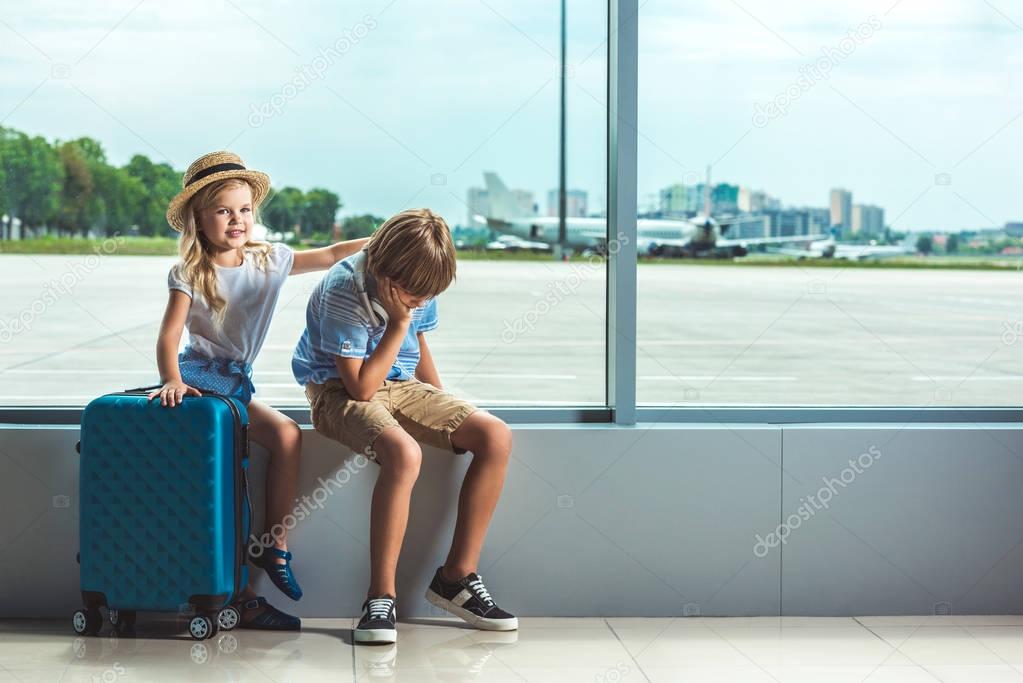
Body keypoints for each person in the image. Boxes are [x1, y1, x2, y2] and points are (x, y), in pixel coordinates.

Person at [152, 150, 367, 629]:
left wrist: (382, 240)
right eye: (224, 211)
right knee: (245, 463)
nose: (237, 220)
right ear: (199, 218)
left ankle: (275, 545)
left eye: (245, 210)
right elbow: (169, 336)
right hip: (201, 379)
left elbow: (332, 256)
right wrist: (172, 378)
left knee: (288, 437)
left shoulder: (268, 260)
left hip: (235, 383)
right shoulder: (190, 271)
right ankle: (240, 585)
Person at [292, 208, 517, 644]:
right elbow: (360, 388)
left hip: (400, 382)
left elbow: (418, 346)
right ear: (381, 270)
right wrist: (397, 323)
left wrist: (443, 405)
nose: (418, 305)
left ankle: (455, 577)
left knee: (495, 434)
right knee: (404, 453)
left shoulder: (417, 283)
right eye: (412, 297)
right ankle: (380, 597)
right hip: (337, 389)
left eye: (424, 299)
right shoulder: (344, 289)